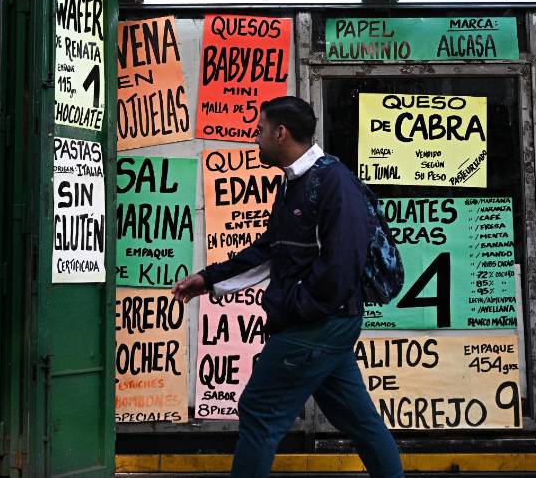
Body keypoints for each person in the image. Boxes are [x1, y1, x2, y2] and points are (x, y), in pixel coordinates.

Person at [172, 96, 404, 478]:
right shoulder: (294, 183)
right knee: (359, 419)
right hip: (326, 323)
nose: (256, 138)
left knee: (259, 410)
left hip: (316, 324)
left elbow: (341, 266)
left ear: (281, 133)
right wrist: (208, 279)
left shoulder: (333, 182)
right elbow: (271, 250)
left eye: (260, 130)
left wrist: (297, 307)